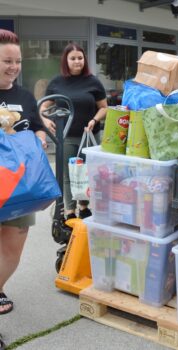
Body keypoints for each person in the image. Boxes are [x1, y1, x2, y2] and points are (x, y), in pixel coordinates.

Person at [0, 29, 46, 320]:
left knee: (16, 236)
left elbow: (37, 126)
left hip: (21, 184)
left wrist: (41, 136)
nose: (14, 67)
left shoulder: (25, 96)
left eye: (17, 61)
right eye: (7, 61)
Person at [39, 43, 107, 220]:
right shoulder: (57, 82)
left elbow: (104, 108)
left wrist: (94, 120)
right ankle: (70, 212)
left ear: (84, 59)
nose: (77, 61)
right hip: (67, 136)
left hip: (89, 136)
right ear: (66, 61)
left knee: (86, 172)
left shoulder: (93, 81)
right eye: (73, 58)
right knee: (69, 174)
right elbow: (43, 107)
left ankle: (84, 207)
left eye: (80, 58)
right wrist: (46, 120)